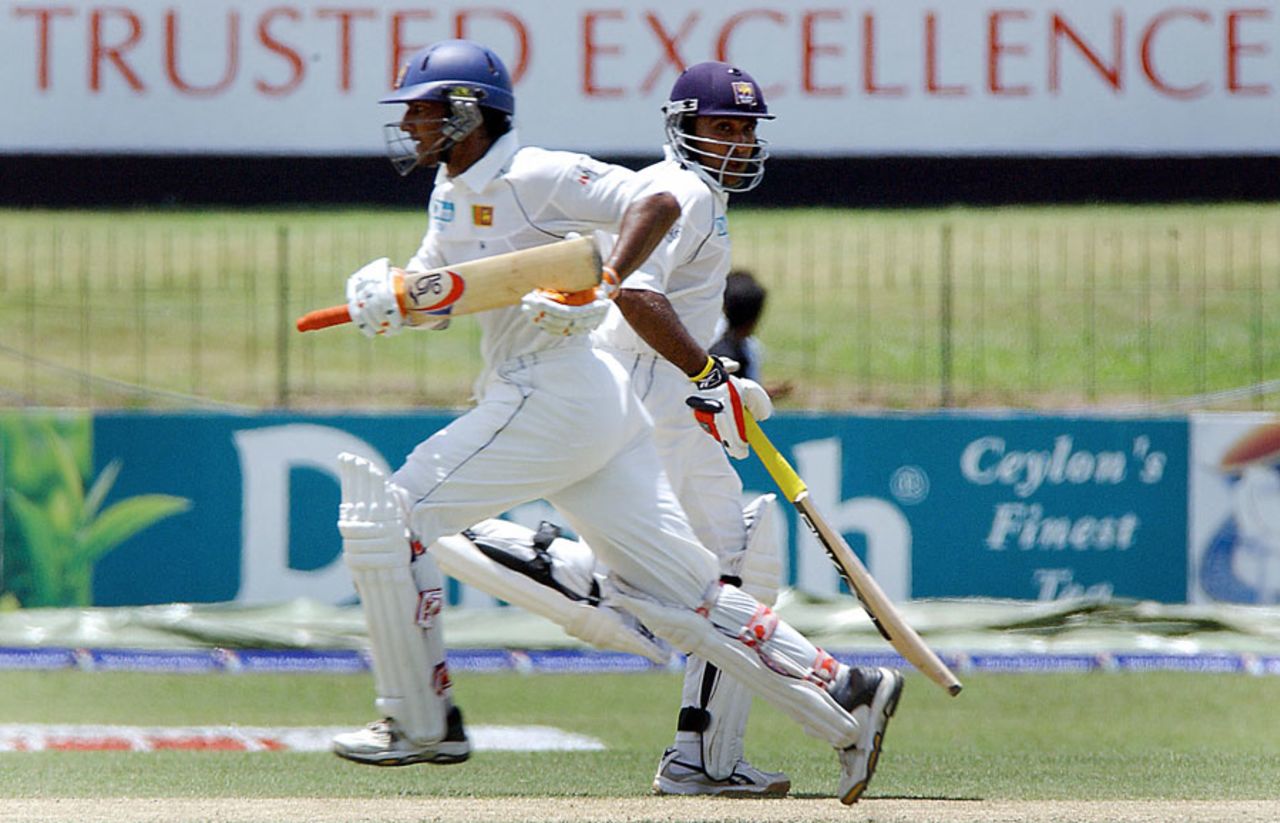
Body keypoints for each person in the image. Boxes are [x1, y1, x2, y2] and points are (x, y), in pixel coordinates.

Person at [331, 39, 904, 806]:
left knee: (388, 517)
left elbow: (656, 202)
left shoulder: (532, 173)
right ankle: (848, 688)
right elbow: (449, 294)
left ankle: (420, 720)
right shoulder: (447, 191)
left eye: (423, 108)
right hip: (595, 406)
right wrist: (394, 301)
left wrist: (603, 281)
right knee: (691, 595)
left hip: (553, 393)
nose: (408, 121)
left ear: (468, 111)